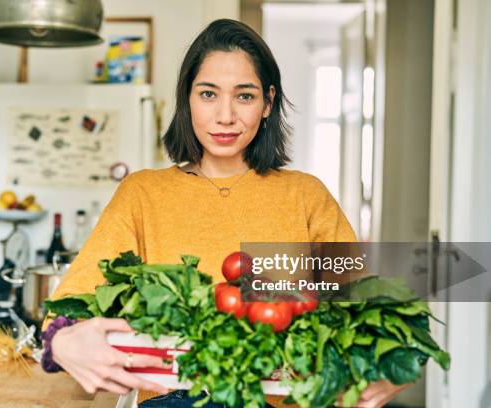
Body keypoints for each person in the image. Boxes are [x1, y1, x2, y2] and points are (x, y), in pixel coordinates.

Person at [43, 19, 407, 408]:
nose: (225, 116)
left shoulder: (305, 195)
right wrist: (63, 341)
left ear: (268, 102)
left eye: (245, 96)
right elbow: (67, 310)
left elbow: (374, 314)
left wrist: (395, 366)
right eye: (208, 94)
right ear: (188, 98)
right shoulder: (142, 193)